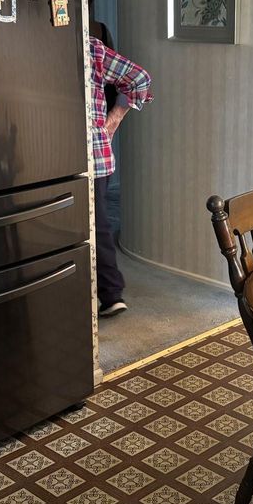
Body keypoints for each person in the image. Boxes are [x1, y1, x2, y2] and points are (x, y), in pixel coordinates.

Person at [89, 34, 152, 317]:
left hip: (88, 153)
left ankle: (110, 293)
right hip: (88, 154)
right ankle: (110, 293)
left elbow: (139, 78)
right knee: (97, 226)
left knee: (93, 226)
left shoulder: (90, 47)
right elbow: (138, 78)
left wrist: (113, 119)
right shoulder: (89, 46)